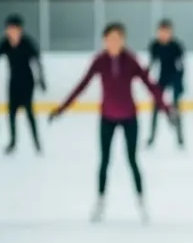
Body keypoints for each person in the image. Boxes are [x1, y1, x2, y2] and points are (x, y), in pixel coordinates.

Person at [49, 23, 172, 223]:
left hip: (129, 118)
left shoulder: (130, 60)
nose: (114, 43)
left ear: (123, 40)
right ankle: (100, 202)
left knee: (132, 160)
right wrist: (61, 108)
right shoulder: (100, 61)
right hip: (107, 118)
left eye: (117, 39)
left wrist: (166, 108)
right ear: (104, 41)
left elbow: (150, 85)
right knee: (104, 161)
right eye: (110, 39)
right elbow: (81, 86)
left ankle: (141, 202)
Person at [0, 14, 46, 155]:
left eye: (13, 29)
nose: (10, 32)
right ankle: (12, 142)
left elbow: (37, 61)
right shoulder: (5, 44)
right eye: (8, 29)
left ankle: (36, 143)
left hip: (27, 82)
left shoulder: (27, 43)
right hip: (13, 82)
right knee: (11, 113)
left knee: (29, 112)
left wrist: (41, 79)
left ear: (20, 30)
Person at [147, 19, 185, 148]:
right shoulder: (155, 46)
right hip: (162, 79)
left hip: (174, 78)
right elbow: (152, 64)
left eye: (166, 32)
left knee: (176, 108)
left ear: (171, 32)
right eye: (161, 32)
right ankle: (152, 137)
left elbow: (181, 67)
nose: (164, 34)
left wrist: (179, 85)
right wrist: (146, 78)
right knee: (155, 107)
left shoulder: (176, 46)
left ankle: (180, 137)